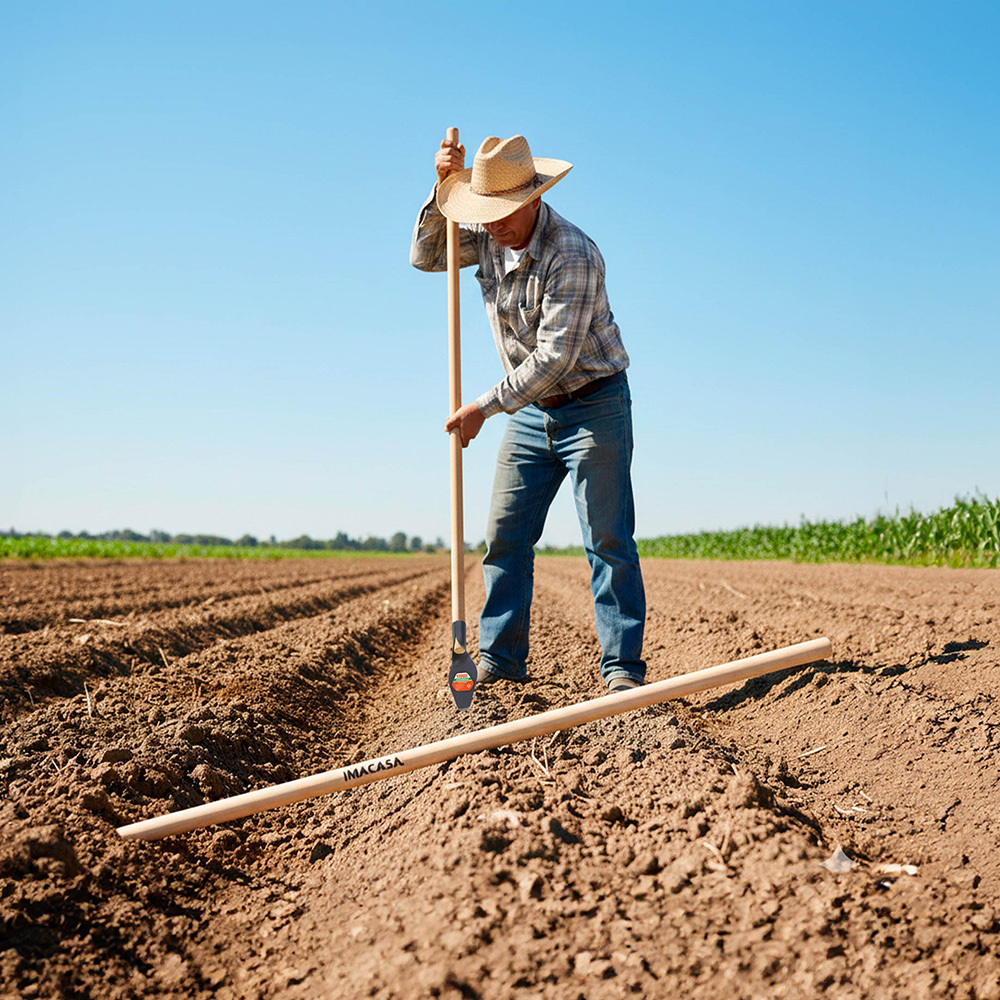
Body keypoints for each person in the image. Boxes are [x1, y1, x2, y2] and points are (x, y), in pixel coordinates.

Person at [410, 133, 645, 693]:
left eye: (502, 214)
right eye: (483, 213)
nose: (492, 225)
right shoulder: (492, 236)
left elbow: (555, 358)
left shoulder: (573, 252)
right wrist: (440, 186)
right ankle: (500, 657)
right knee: (505, 534)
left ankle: (622, 672)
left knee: (607, 539)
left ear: (534, 199)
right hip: (531, 410)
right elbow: (425, 256)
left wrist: (482, 410)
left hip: (594, 404)